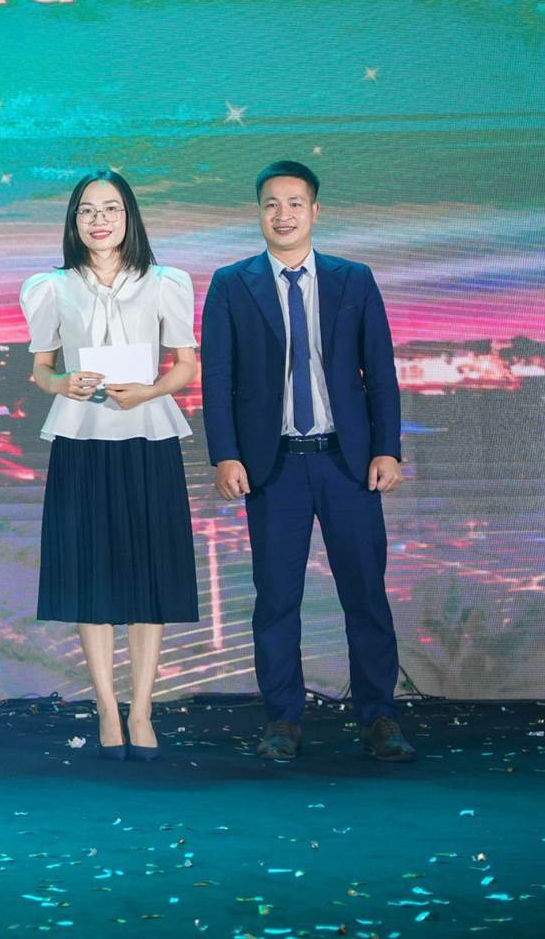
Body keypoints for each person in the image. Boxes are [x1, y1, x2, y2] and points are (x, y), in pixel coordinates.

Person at [202, 160, 414, 762]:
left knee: (365, 595)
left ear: (315, 211)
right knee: (276, 599)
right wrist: (226, 456)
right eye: (271, 204)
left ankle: (379, 716)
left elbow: (382, 374)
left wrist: (387, 448)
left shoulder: (354, 279)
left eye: (295, 203)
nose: (283, 214)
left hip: (347, 462)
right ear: (258, 213)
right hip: (274, 467)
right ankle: (282, 720)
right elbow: (217, 380)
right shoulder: (231, 284)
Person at [20, 170, 199, 761]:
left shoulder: (166, 281)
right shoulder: (51, 287)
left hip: (149, 437)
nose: (99, 220)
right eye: (87, 211)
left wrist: (149, 392)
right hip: (81, 439)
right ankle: (105, 706)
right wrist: (61, 382)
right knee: (89, 575)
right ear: (74, 221)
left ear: (130, 217)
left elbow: (185, 365)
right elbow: (41, 369)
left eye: (111, 209)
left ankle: (142, 709)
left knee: (150, 575)